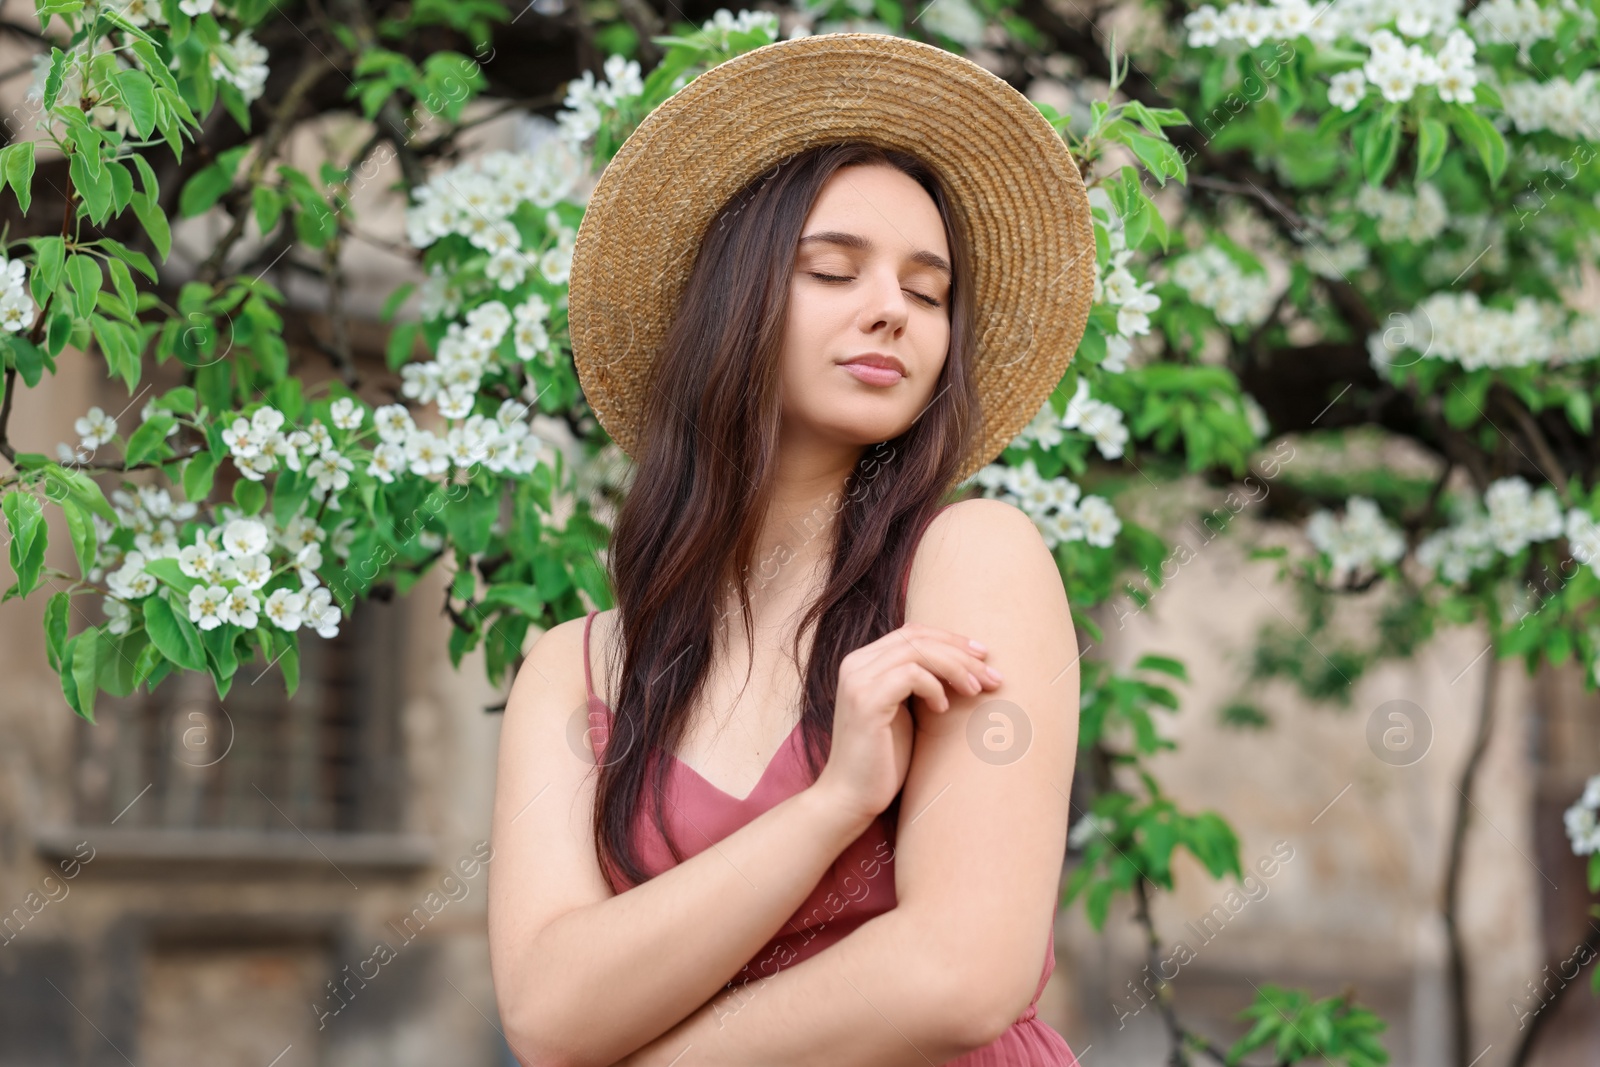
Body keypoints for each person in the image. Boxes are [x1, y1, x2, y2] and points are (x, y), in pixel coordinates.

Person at [488, 31, 1095, 1066]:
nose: (890, 311)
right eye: (833, 270)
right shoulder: (575, 667)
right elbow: (549, 1011)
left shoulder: (971, 559)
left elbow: (961, 970)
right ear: (733, 301)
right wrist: (832, 806)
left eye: (928, 289)